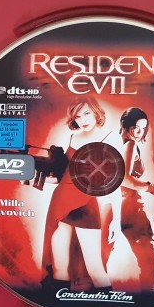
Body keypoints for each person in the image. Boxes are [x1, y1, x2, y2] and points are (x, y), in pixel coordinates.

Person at [41, 97, 118, 293]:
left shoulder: (109, 138)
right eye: (77, 116)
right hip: (60, 202)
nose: (83, 120)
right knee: (59, 268)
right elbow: (63, 176)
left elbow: (116, 183)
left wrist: (116, 220)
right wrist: (34, 178)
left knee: (95, 269)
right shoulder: (72, 138)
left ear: (96, 112)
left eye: (87, 113)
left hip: (85, 205)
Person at [118, 107, 154, 294]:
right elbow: (124, 179)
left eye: (144, 128)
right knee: (148, 263)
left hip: (115, 206)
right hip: (130, 208)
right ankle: (148, 300)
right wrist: (152, 188)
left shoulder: (116, 142)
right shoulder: (129, 145)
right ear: (126, 125)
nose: (140, 131)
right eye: (136, 127)